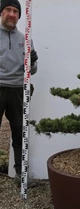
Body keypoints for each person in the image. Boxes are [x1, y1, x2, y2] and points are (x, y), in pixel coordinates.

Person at [0, 0, 38, 186]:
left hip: (17, 90)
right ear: (1, 13)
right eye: (8, 9)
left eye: (15, 11)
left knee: (18, 132)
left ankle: (20, 175)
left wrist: (33, 61)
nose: (12, 14)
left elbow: (33, 70)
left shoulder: (25, 39)